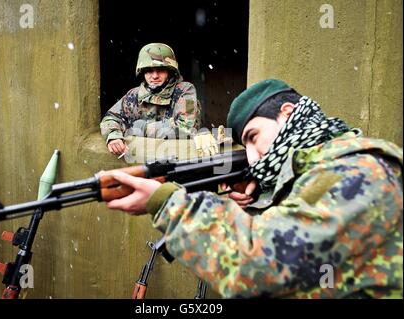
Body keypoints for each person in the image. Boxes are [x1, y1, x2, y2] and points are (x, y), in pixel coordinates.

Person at [104, 79, 403, 298]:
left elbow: (261, 268)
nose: (251, 157)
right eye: (244, 143)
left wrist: (168, 204)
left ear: (287, 113)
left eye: (254, 136)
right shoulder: (326, 162)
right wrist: (261, 196)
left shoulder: (357, 172)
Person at [100, 43, 203, 157]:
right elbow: (111, 118)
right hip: (140, 158)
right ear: (142, 72)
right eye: (149, 70)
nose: (154, 76)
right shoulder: (134, 95)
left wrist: (141, 128)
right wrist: (114, 136)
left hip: (178, 157)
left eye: (160, 70)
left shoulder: (184, 90)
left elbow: (186, 128)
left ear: (170, 71)